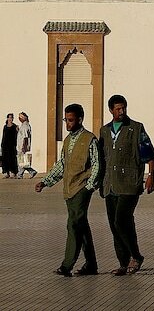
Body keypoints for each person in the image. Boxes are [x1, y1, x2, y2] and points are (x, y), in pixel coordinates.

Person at [34, 103, 101, 277]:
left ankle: (67, 265)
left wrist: (89, 186)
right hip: (69, 189)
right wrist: (45, 182)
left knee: (73, 224)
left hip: (82, 188)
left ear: (80, 119)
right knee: (81, 225)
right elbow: (62, 165)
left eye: (70, 120)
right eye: (66, 120)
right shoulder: (67, 141)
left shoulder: (90, 139)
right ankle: (91, 265)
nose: (67, 124)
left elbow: (97, 164)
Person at [99, 94, 154, 276]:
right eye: (118, 109)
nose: (121, 111)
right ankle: (124, 263)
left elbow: (149, 154)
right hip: (110, 185)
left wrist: (151, 176)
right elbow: (101, 159)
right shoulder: (104, 131)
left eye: (123, 108)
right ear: (111, 110)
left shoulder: (136, 128)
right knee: (114, 225)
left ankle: (136, 256)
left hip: (129, 184)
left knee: (121, 220)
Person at [17, 112, 37, 179]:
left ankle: (21, 174)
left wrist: (24, 146)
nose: (19, 118)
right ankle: (30, 172)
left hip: (22, 146)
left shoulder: (25, 126)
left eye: (20, 117)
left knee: (21, 161)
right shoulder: (24, 125)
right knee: (22, 161)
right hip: (20, 146)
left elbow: (25, 137)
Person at [2, 113, 18, 178]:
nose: (10, 119)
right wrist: (2, 144)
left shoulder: (14, 126)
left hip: (12, 145)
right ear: (7, 118)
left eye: (11, 117)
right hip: (5, 145)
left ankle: (13, 172)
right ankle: (6, 172)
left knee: (12, 159)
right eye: (9, 117)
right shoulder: (5, 126)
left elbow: (16, 136)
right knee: (5, 159)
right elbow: (3, 136)